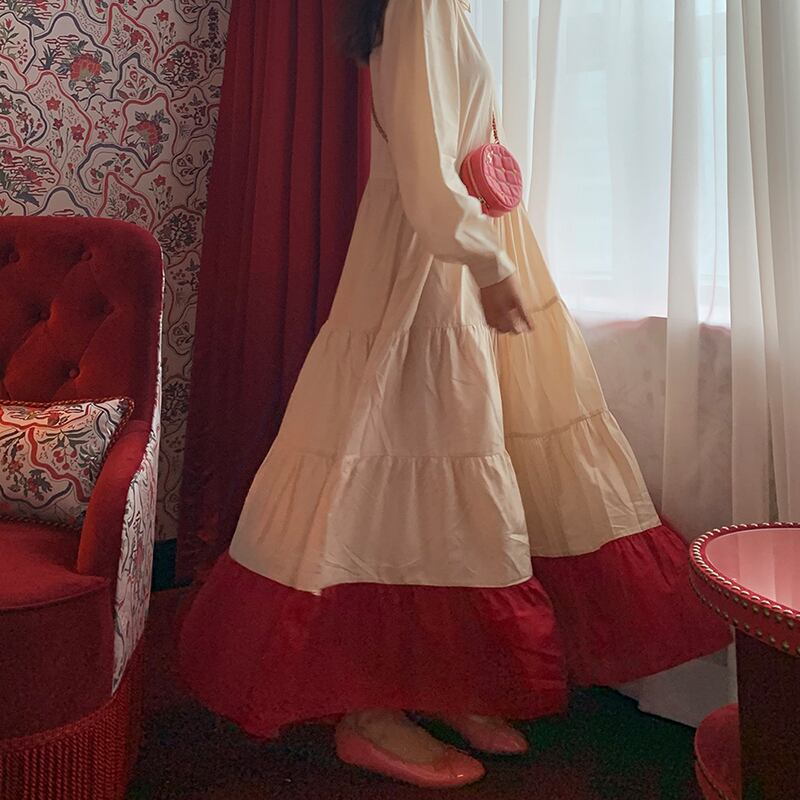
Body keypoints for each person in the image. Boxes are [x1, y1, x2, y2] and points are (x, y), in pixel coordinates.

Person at [178, 0, 731, 789]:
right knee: (393, 471)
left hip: (446, 261)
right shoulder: (422, 5)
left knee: (447, 473)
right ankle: (369, 712)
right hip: (422, 273)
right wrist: (489, 264)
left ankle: (438, 684)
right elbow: (427, 168)